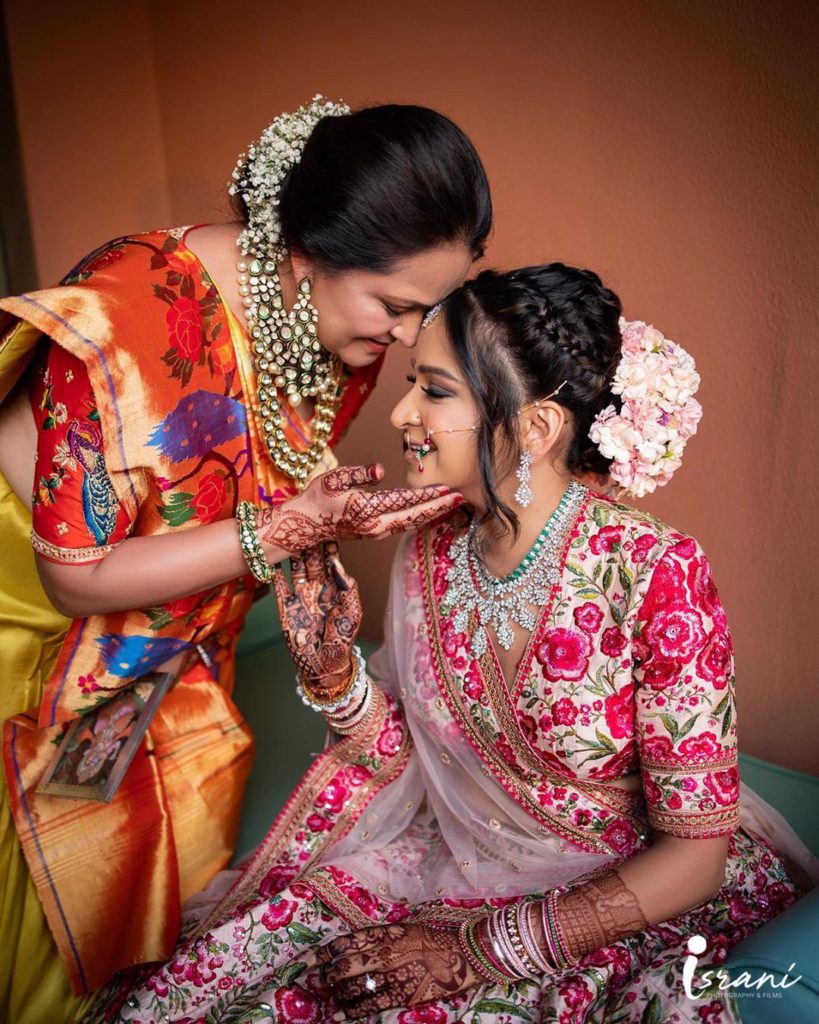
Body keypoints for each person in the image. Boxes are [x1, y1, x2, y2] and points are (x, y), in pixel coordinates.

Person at [97, 261, 819, 1024]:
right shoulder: (432, 548)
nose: (404, 411)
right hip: (455, 860)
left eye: (435, 391)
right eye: (413, 382)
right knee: (245, 984)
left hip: (618, 901)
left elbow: (694, 858)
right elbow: (412, 759)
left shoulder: (653, 572)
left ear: (535, 427)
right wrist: (335, 671)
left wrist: (477, 951)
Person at [0, 96, 490, 1020]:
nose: (406, 335)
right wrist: (287, 534)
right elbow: (73, 577)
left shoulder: (342, 338)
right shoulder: (119, 325)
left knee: (171, 891)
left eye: (427, 311)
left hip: (183, 637)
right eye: (395, 305)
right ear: (304, 252)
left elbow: (275, 494)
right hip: (28, 618)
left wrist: (316, 533)